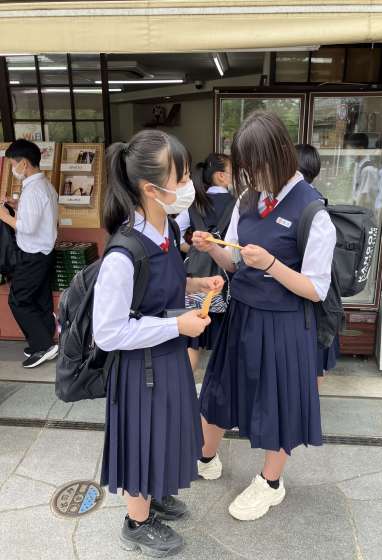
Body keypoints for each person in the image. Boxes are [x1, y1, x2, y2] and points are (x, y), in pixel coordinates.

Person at [193, 111, 336, 522]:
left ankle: (271, 483)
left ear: (278, 156)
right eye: (246, 168)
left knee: (278, 402)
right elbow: (235, 262)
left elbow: (315, 288)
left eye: (257, 167)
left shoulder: (313, 211)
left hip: (285, 323)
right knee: (219, 390)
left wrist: (273, 264)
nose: (252, 177)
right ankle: (205, 457)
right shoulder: (247, 199)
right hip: (242, 314)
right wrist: (213, 248)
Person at [93, 130, 224, 557]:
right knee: (142, 439)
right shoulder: (122, 253)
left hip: (166, 358)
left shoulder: (165, 227)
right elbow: (108, 332)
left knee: (164, 432)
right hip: (140, 369)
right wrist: (177, 326)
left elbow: (157, 286)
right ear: (151, 189)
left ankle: (154, 494)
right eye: (181, 177)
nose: (189, 185)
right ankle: (136, 521)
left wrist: (195, 284)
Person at [0, 139, 58, 368]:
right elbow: (38, 215)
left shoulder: (34, 190)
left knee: (18, 300)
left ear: (24, 163)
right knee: (39, 298)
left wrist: (4, 216)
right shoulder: (43, 185)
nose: (13, 168)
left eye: (13, 163)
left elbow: (28, 227)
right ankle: (42, 342)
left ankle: (43, 345)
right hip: (43, 253)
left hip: (33, 254)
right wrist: (16, 205)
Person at [176, 153, 235, 371]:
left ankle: (186, 386)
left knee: (192, 340)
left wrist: (194, 248)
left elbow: (175, 234)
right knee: (226, 341)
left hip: (196, 276)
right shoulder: (238, 204)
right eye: (232, 171)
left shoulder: (193, 203)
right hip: (225, 279)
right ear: (221, 176)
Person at [295, 143, 340, 383]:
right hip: (326, 298)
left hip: (306, 298)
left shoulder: (306, 204)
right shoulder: (319, 199)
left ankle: (308, 401)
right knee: (317, 362)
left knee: (310, 360)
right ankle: (311, 401)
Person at [344, 133, 378, 207]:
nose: (349, 154)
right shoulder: (358, 165)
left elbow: (363, 198)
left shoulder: (368, 170)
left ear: (360, 149)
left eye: (351, 150)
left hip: (362, 210)